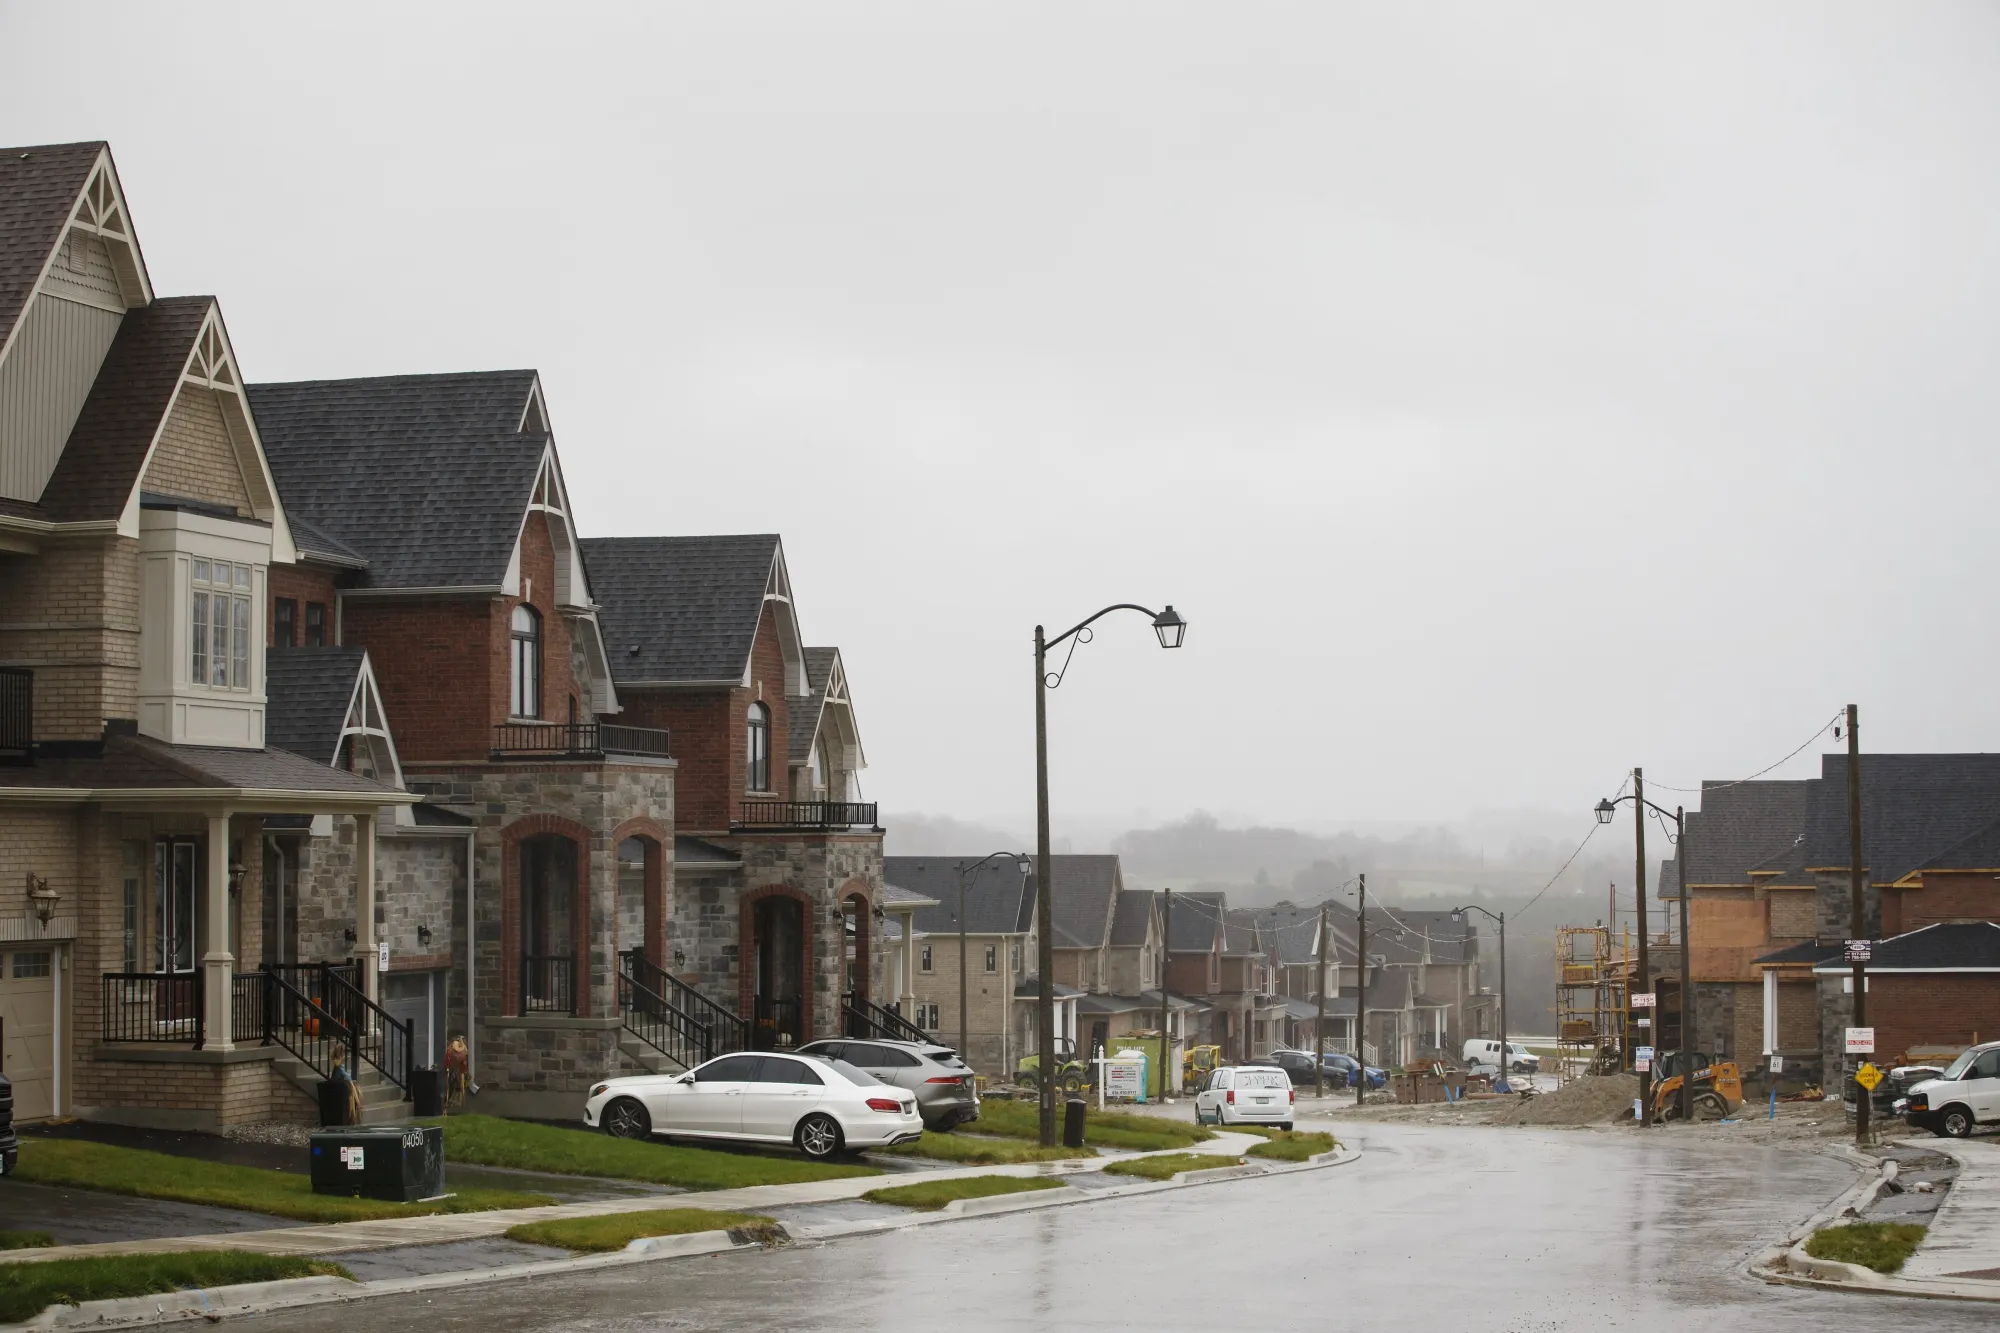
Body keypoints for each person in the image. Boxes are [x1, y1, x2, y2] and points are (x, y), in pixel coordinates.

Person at [442, 1034, 470, 1112]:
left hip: (457, 1069)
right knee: (450, 1085)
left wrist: (463, 1070)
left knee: (458, 1084)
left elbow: (463, 1062)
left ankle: (455, 1101)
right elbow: (448, 1058)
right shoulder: (451, 1049)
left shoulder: (463, 1050)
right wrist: (447, 1067)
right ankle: (446, 1101)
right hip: (451, 1069)